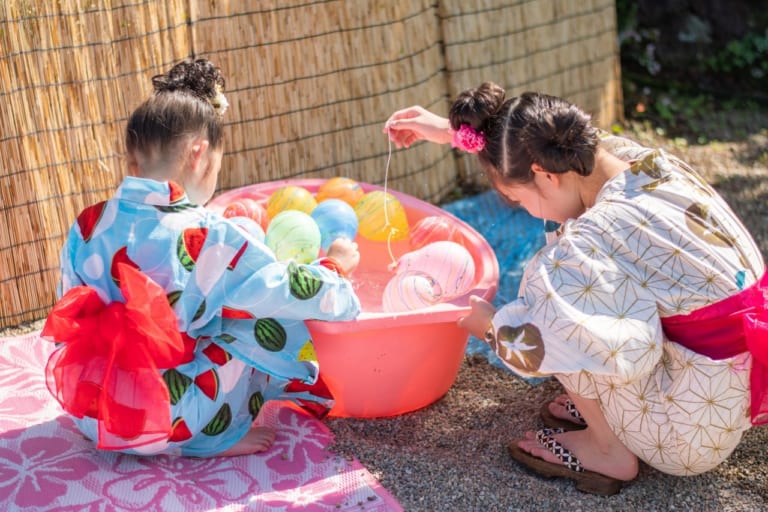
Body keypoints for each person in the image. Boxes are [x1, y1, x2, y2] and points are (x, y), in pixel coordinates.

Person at [384, 83, 768, 495]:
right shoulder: (641, 164)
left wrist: (487, 323)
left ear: (546, 174)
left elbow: (546, 343)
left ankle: (606, 449)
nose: (524, 210)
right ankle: (615, 410)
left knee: (558, 310)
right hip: (731, 385)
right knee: (571, 273)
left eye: (517, 198)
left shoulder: (593, 237)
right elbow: (551, 139)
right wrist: (454, 131)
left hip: (688, 435)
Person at [41, 58, 361, 458]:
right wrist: (334, 269)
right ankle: (215, 437)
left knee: (212, 301)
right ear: (199, 154)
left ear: (132, 161)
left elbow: (68, 313)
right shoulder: (206, 232)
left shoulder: (87, 223)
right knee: (261, 313)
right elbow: (280, 287)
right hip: (171, 419)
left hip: (94, 412)